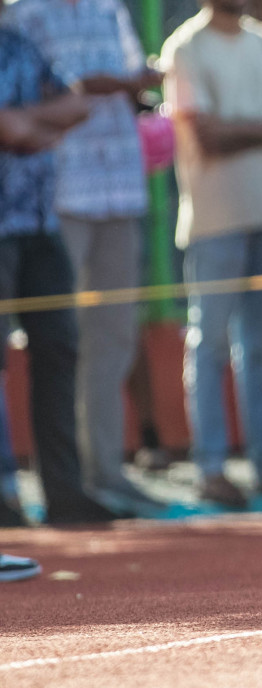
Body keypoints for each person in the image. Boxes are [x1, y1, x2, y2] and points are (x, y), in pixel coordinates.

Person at [2, 0, 166, 517]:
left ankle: (101, 477)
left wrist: (100, 90)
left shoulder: (108, 2)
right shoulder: (20, 13)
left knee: (108, 337)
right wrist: (94, 90)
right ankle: (35, 487)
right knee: (50, 339)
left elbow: (109, 82)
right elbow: (74, 90)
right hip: (52, 197)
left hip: (119, 184)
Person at [163, 0, 262, 508]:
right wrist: (260, 128)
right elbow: (205, 137)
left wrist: (242, 127)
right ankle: (211, 466)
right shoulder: (184, 48)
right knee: (210, 344)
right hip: (214, 218)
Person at [0, 27, 116, 524]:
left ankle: (65, 491)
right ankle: (5, 493)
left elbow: (76, 106)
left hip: (42, 223)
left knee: (60, 347)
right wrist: (32, 127)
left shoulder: (19, 43)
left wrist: (27, 123)